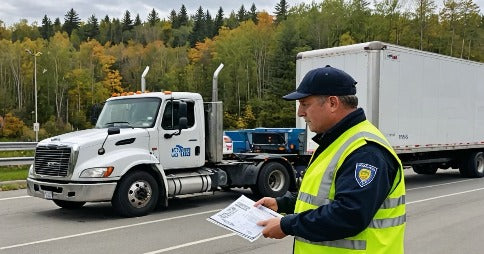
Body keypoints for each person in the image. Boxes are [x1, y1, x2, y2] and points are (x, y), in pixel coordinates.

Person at [255, 65, 406, 253]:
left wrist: (287, 225)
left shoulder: (365, 151)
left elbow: (349, 215)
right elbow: (325, 198)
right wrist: (282, 204)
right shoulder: (337, 141)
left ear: (333, 103)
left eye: (305, 104)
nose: (300, 113)